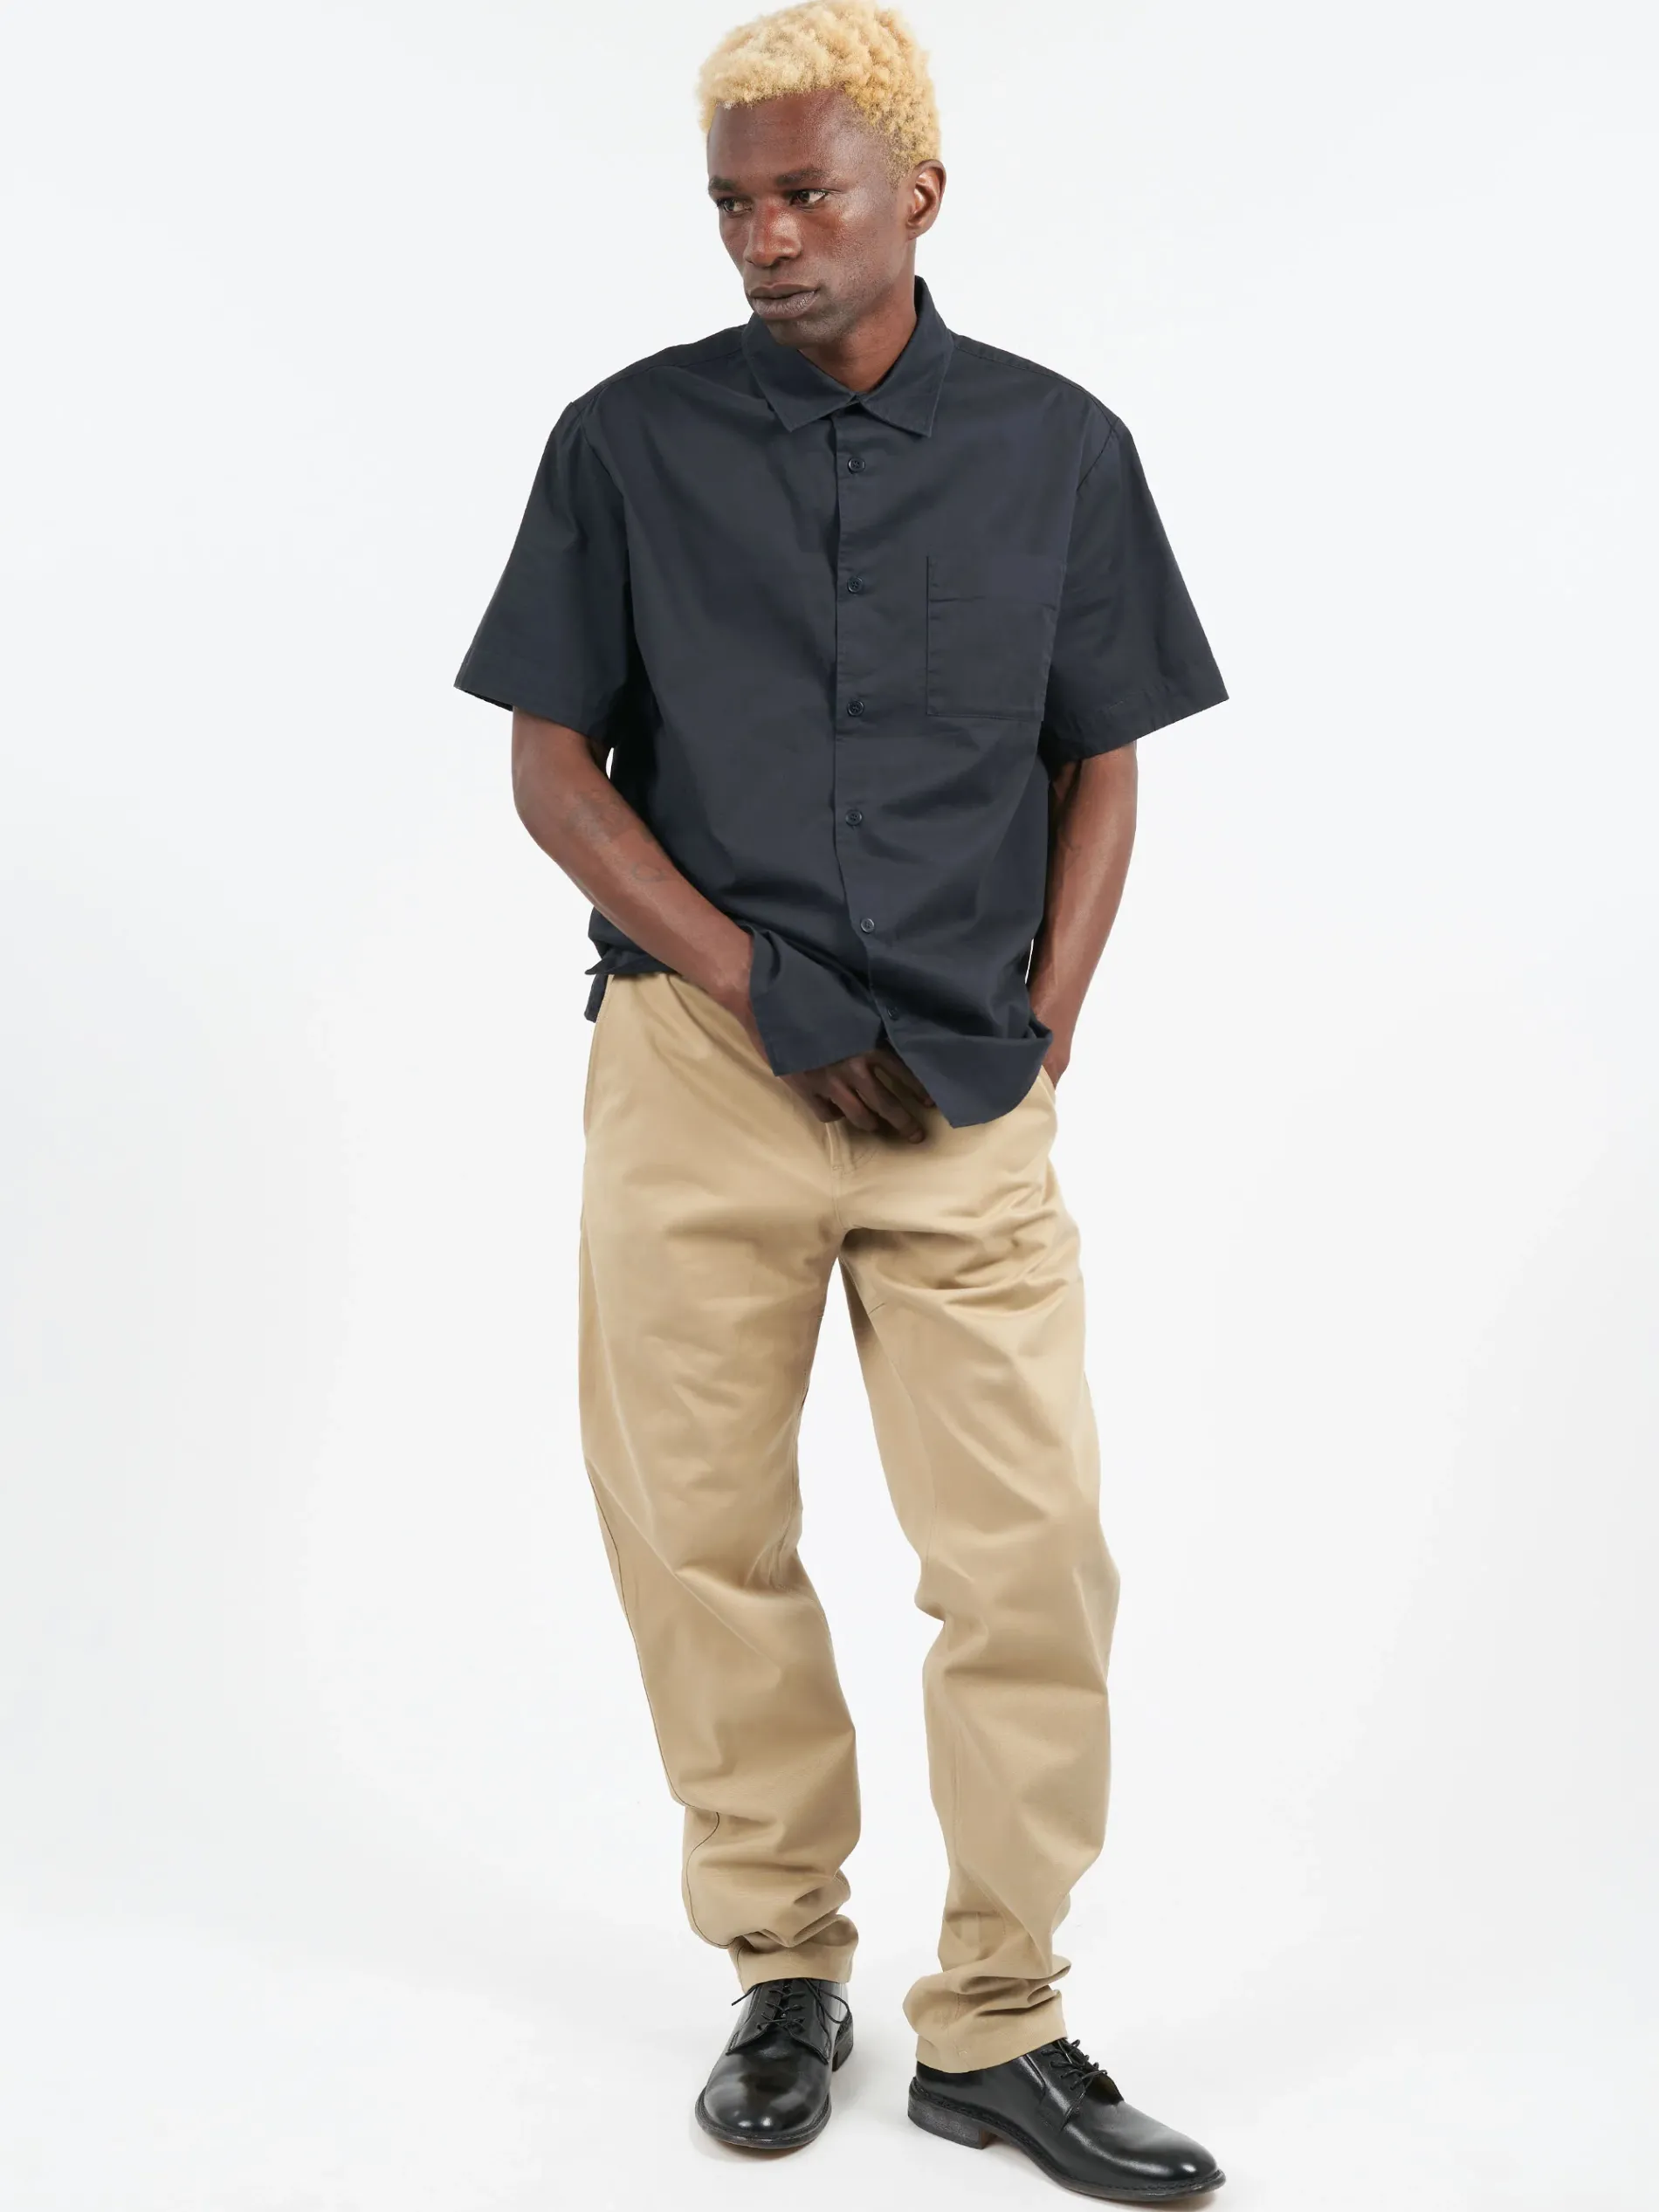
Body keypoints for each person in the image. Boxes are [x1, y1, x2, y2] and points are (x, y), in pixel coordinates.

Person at [454, 2, 1229, 2196]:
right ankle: (782, 1967)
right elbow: (549, 768)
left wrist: (1048, 1020)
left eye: (805, 191)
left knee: (1028, 1556)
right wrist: (752, 981)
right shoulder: (623, 443)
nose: (766, 236)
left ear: (917, 193)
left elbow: (1100, 754)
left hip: (962, 1091)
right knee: (701, 1538)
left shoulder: (1058, 448)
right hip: (701, 1070)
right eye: (733, 202)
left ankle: (1000, 2019)